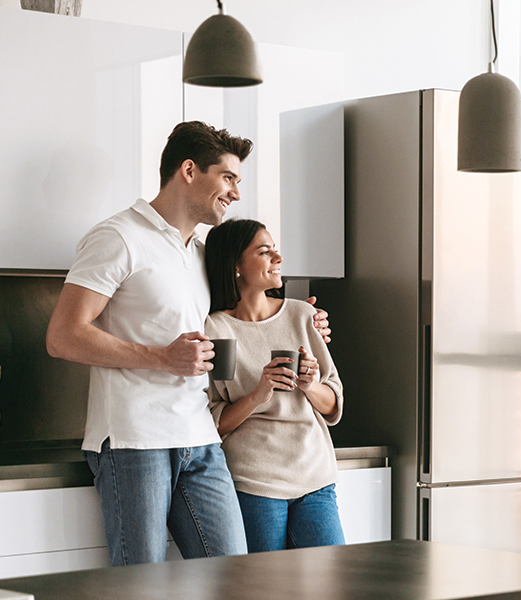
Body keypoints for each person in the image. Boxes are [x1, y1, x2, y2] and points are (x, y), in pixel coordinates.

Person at [45, 121, 331, 566]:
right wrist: (161, 358)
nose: (236, 193)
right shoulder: (118, 237)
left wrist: (306, 319)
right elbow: (62, 336)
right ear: (190, 170)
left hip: (200, 437)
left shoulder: (200, 254)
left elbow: (243, 318)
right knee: (140, 586)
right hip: (134, 441)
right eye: (229, 178)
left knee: (235, 576)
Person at [203, 218, 346, 552]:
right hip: (255, 484)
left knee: (331, 583)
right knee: (264, 586)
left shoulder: (301, 316)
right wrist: (258, 394)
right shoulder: (215, 328)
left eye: (276, 251)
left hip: (315, 478)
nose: (278, 259)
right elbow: (215, 422)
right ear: (235, 265)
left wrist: (310, 385)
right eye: (265, 252)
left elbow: (334, 403)